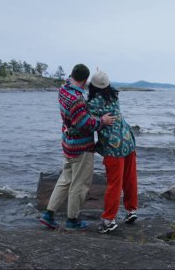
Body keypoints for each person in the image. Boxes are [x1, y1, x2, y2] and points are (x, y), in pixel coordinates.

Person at [39, 63, 117, 230]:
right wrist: (102, 121)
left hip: (68, 144)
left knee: (65, 179)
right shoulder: (77, 99)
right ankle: (72, 220)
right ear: (84, 80)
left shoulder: (63, 90)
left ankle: (49, 214)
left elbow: (74, 118)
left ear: (72, 75)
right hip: (81, 147)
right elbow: (84, 123)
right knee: (79, 185)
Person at [87, 68, 138, 234]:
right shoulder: (115, 96)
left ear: (92, 86)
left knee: (114, 184)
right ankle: (131, 211)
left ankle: (108, 220)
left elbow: (87, 123)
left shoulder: (93, 104)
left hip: (113, 147)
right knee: (130, 178)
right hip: (128, 141)